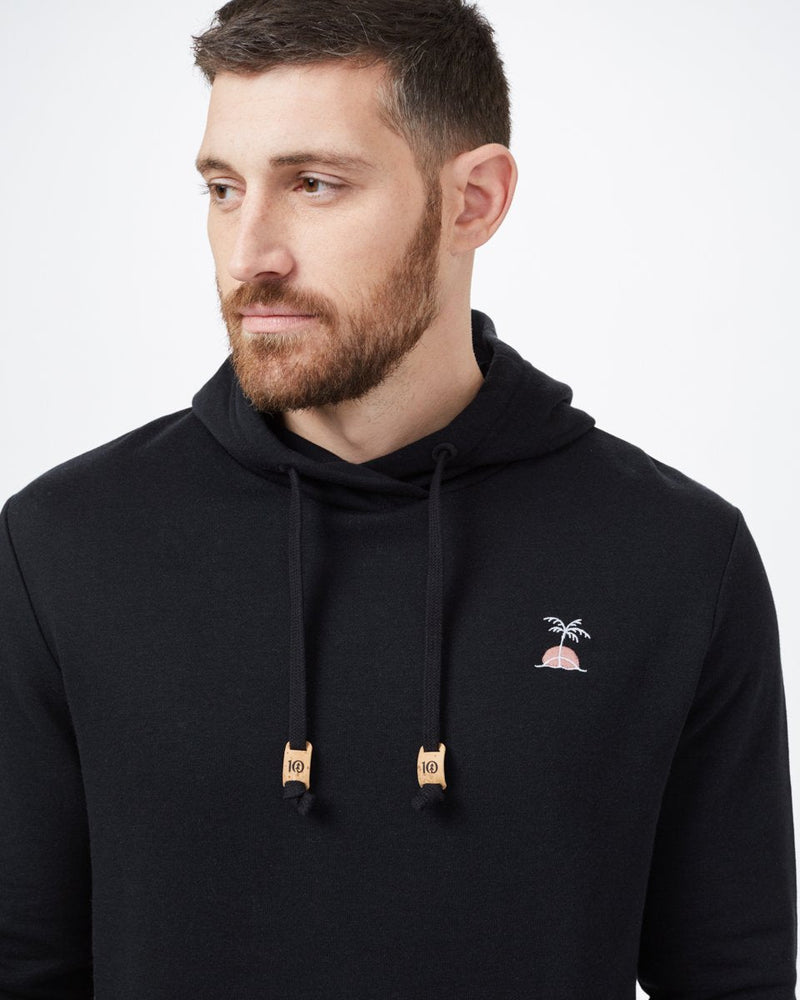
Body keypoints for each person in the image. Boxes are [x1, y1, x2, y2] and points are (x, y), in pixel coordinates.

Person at [0, 0, 796, 996]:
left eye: (314, 184)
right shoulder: (63, 547)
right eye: (222, 188)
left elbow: (731, 976)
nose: (249, 255)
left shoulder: (675, 556)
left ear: (473, 201)